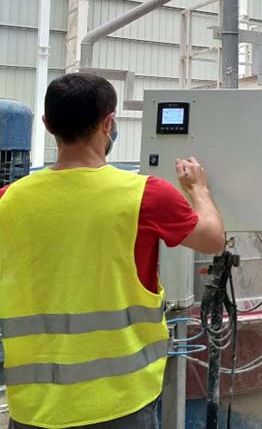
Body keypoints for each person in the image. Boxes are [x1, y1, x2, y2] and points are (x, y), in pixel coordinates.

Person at [0, 73, 226, 429]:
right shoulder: (145, 195)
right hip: (120, 404)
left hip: (34, 408)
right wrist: (199, 190)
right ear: (108, 123)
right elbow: (213, 239)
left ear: (47, 124)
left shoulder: (8, 201)